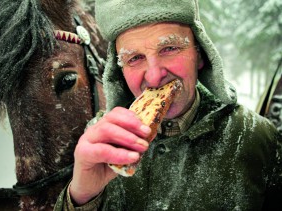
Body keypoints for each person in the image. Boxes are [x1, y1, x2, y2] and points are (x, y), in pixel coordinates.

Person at [54, 0, 282, 210]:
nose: (154, 77)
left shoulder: (258, 138)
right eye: (134, 58)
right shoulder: (99, 143)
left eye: (169, 48)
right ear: (119, 72)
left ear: (200, 54)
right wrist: (80, 197)